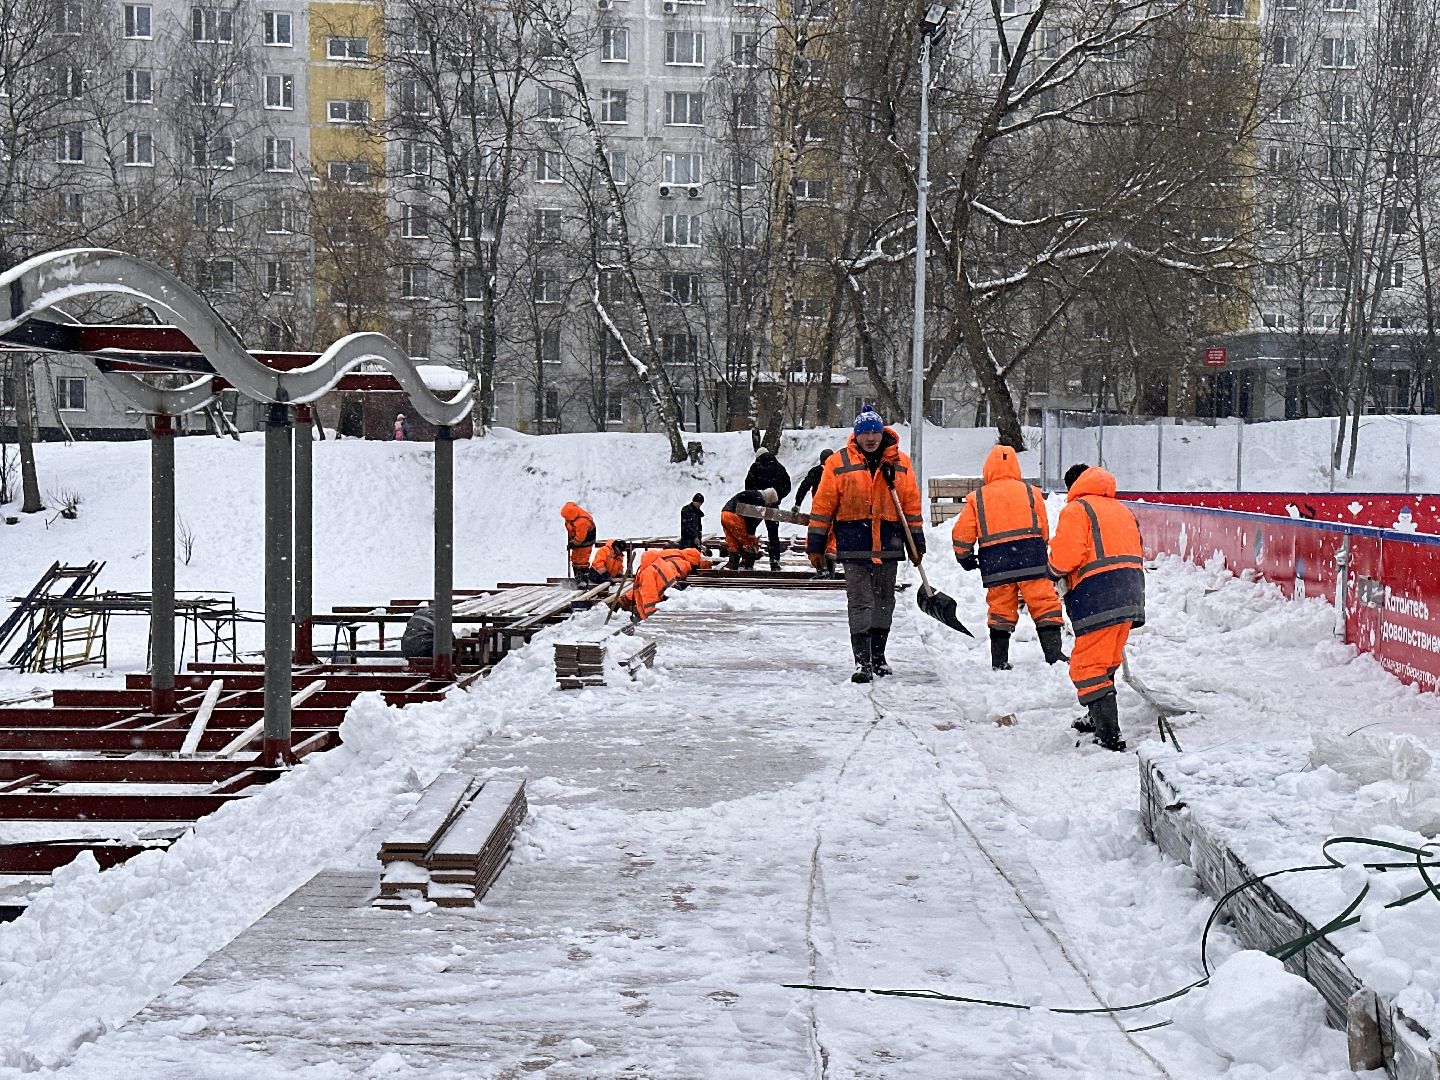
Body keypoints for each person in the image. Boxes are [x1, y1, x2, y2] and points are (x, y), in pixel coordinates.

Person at [806, 408, 924, 683]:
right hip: (854, 543)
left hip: (889, 541)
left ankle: (879, 656)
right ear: (856, 435)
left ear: (881, 432)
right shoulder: (838, 463)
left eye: (874, 432)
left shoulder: (900, 463)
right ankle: (862, 662)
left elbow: (911, 508)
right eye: (864, 433)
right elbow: (823, 507)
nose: (870, 438)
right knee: (859, 601)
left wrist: (916, 541)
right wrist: (816, 544)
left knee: (884, 601)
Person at [1047, 466, 1146, 752]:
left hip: (1099, 592)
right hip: (1131, 589)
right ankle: (1096, 717)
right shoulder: (1121, 509)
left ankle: (1109, 735)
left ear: (1073, 486)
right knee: (1106, 658)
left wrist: (1052, 571)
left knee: (1088, 666)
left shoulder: (1077, 510)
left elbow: (1067, 554)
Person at [952, 445, 1066, 671]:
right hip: (1031, 557)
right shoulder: (1030, 492)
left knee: (1001, 607)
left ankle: (999, 660)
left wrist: (964, 555)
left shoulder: (978, 498)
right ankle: (1053, 654)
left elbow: (962, 531)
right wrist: (1041, 549)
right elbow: (1043, 524)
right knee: (1044, 603)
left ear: (988, 469)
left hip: (996, 563)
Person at [623, 547, 711, 620]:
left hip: (666, 593)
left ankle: (625, 600)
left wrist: (650, 616)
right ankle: (625, 600)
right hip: (672, 588)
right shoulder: (661, 564)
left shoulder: (648, 572)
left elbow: (649, 596)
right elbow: (648, 592)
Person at [793, 449, 838, 577]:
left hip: (819, 511)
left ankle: (821, 569)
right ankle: (831, 570)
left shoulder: (817, 471)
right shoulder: (838, 472)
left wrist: (797, 503)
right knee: (832, 540)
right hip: (837, 511)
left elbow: (804, 486)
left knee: (816, 540)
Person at [746, 448, 792, 571]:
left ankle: (748, 559)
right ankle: (774, 561)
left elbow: (748, 486)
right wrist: (777, 496)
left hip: (758, 505)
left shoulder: (755, 467)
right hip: (773, 504)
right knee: (773, 534)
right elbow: (788, 486)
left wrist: (757, 497)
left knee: (750, 531)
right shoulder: (779, 467)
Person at [720, 487, 778, 570]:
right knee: (746, 542)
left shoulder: (752, 494)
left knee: (733, 541)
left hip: (725, 513)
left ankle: (732, 564)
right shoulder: (759, 500)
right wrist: (751, 536)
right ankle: (748, 564)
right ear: (769, 499)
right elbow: (752, 520)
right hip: (735, 516)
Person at [560, 502, 597, 582]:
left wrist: (573, 543)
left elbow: (580, 538)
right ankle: (578, 576)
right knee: (575, 558)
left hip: (587, 537)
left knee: (582, 558)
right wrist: (571, 540)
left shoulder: (582, 522)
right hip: (577, 537)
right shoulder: (571, 516)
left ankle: (583, 578)